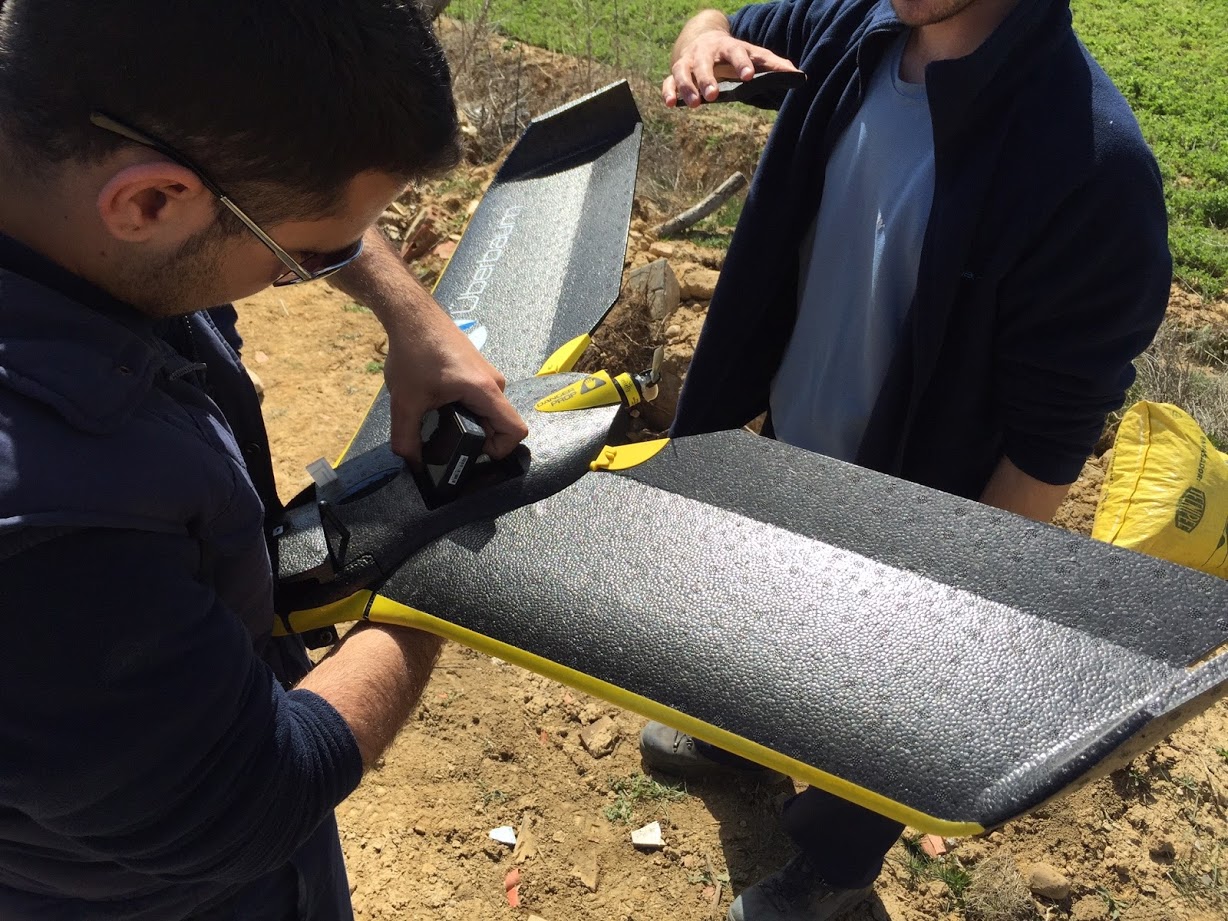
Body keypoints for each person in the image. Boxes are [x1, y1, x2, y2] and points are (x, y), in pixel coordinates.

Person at [637, 1, 1172, 919]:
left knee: (879, 687)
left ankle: (834, 868)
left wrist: (949, 608)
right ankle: (744, 736)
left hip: (915, 509)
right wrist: (702, 40)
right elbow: (721, 18)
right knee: (765, 608)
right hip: (787, 445)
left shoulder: (1092, 167)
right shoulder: (854, 25)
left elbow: (1047, 451)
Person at [0, 2, 528, 919]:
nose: (310, 275)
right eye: (304, 259)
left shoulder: (55, 147)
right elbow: (250, 798)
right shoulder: (47, 534)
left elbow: (270, 188)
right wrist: (439, 584)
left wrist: (410, 313)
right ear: (153, 202)